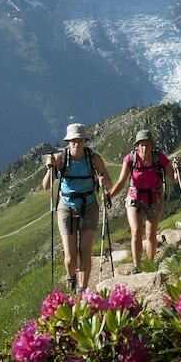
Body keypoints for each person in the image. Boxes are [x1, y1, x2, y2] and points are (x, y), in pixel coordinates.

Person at [42, 123, 113, 292]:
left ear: (85, 141)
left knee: (85, 252)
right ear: (68, 141)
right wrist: (49, 168)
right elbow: (46, 185)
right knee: (70, 257)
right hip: (66, 208)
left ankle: (83, 290)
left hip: (89, 206)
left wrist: (104, 183)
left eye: (79, 140)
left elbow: (109, 183)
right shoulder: (61, 159)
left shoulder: (94, 158)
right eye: (73, 140)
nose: (76, 143)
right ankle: (71, 277)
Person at [109, 129, 175, 272]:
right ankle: (137, 265)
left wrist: (177, 170)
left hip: (154, 199)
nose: (145, 148)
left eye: (147, 144)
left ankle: (150, 264)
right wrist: (110, 195)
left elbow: (174, 178)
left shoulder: (160, 158)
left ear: (152, 145)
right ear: (137, 146)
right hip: (135, 199)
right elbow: (121, 182)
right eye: (141, 145)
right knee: (136, 231)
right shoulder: (130, 159)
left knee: (151, 234)